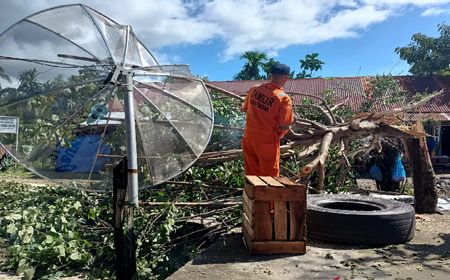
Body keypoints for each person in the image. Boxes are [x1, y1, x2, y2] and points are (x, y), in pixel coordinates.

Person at [241, 63, 294, 176]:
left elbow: (245, 109)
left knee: (251, 174)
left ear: (271, 75)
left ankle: (253, 193)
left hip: (248, 137)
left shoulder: (254, 89)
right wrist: (278, 135)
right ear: (286, 77)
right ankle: (268, 194)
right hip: (267, 141)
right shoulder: (283, 98)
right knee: (270, 177)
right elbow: (284, 126)